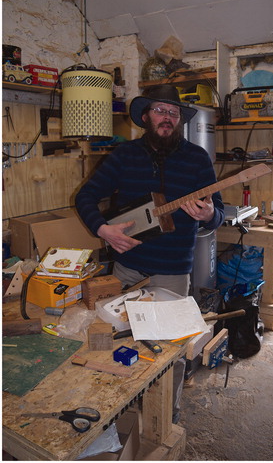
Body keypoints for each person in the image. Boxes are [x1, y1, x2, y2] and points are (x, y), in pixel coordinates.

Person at [75, 84, 225, 421]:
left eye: (174, 113)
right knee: (115, 343)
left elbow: (217, 213)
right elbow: (85, 197)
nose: (167, 118)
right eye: (160, 110)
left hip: (172, 272)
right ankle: (119, 411)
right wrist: (103, 230)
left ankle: (163, 421)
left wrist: (207, 215)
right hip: (126, 268)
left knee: (169, 351)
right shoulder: (123, 155)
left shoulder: (197, 159)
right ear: (146, 116)